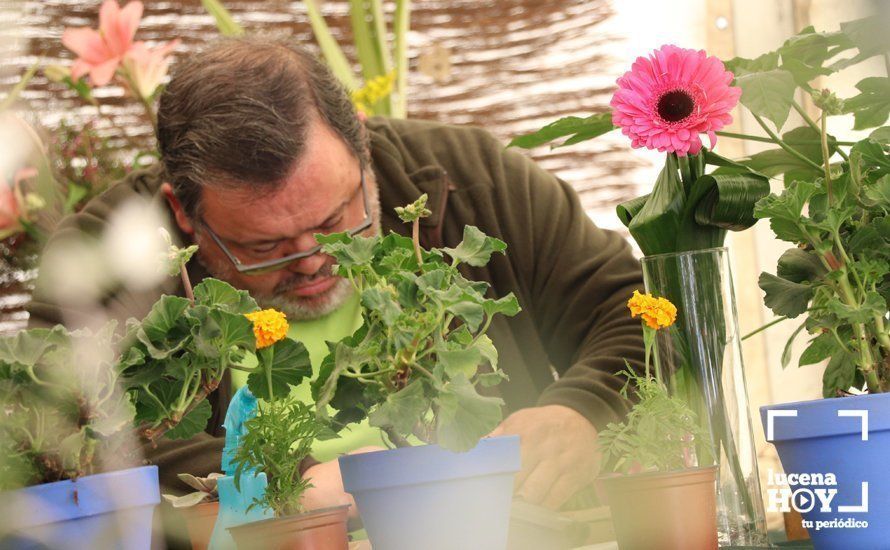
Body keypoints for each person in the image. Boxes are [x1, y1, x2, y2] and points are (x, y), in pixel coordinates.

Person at [27, 37, 644, 514]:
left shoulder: (474, 181)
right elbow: (57, 442)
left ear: (365, 156)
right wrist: (279, 491)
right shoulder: (108, 255)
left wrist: (585, 410)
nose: (314, 260)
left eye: (336, 220)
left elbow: (636, 310)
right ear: (184, 213)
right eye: (264, 246)